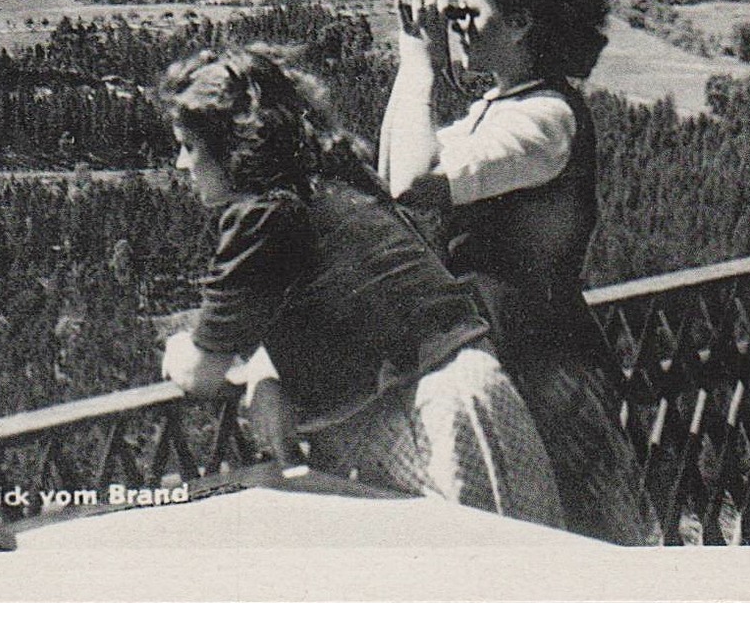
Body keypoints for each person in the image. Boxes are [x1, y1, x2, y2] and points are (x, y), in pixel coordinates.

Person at [158, 46, 564, 528]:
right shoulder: (337, 177)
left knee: (501, 583)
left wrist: (178, 350)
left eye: (189, 146)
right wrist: (270, 367)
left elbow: (201, 373)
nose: (182, 164)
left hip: (432, 417)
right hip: (465, 392)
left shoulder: (260, 217)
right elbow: (342, 292)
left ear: (229, 148)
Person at [378, 0, 661, 545]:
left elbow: (413, 181)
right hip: (507, 352)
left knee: (589, 542)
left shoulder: (545, 117)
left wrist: (416, 59)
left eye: (470, 14)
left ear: (522, 23)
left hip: (542, 365)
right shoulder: (504, 106)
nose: (459, 26)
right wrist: (423, 56)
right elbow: (393, 168)